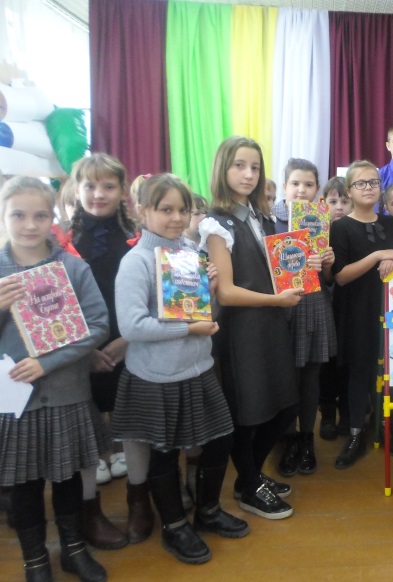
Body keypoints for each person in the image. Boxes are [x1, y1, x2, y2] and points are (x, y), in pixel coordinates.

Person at [113, 174, 248, 565]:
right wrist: (188, 329)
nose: (176, 218)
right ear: (143, 210)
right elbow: (132, 327)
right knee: (164, 453)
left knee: (220, 439)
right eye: (165, 209)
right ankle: (174, 526)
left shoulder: (190, 252)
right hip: (157, 377)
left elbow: (204, 314)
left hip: (198, 368)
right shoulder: (136, 262)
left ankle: (208, 511)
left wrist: (212, 292)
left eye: (183, 210)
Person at [0, 177, 111, 582]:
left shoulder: (72, 267)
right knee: (25, 484)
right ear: (3, 216)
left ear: (53, 217)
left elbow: (98, 324)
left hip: (66, 392)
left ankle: (73, 549)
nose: (30, 225)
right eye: (18, 215)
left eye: (40, 215)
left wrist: (48, 363)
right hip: (15, 399)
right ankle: (35, 560)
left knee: (67, 477)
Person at [200, 136, 303, 519]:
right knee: (249, 411)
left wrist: (306, 265)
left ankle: (251, 476)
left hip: (270, 322)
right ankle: (248, 484)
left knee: (284, 405)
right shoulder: (216, 223)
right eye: (239, 165)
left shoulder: (260, 216)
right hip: (242, 329)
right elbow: (226, 293)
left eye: (255, 167)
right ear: (223, 169)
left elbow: (276, 268)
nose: (248, 174)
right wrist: (277, 300)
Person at [70, 153, 137, 549]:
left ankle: (122, 448)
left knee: (123, 392)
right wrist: (86, 351)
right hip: (81, 344)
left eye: (108, 186)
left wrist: (127, 339)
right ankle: (97, 453)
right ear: (76, 190)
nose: (99, 194)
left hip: (127, 334)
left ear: (122, 191)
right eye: (90, 186)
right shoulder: (63, 241)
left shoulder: (135, 237)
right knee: (89, 398)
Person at [330, 161, 393, 468]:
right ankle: (356, 433)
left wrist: (392, 261)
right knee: (359, 370)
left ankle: (387, 426)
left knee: (389, 369)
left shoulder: (391, 224)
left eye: (373, 182)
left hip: (389, 307)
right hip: (355, 309)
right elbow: (340, 276)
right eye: (361, 183)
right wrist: (377, 256)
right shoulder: (340, 227)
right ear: (349, 191)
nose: (369, 188)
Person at [274, 158, 336, 478]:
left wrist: (328, 263)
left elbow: (329, 279)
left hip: (314, 303)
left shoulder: (322, 220)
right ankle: (286, 440)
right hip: (281, 306)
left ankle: (306, 438)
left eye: (308, 184)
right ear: (284, 186)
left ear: (316, 189)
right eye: (295, 183)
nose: (301, 190)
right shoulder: (270, 220)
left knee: (311, 376)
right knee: (286, 377)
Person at [319, 176, 352, 440]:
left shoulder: (354, 230)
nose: (339, 207)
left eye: (344, 201)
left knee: (346, 362)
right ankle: (328, 413)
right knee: (327, 364)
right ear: (323, 204)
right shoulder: (316, 233)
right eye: (333, 201)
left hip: (348, 309)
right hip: (324, 309)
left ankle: (347, 411)